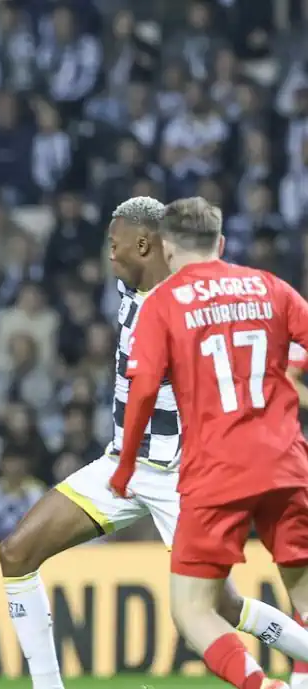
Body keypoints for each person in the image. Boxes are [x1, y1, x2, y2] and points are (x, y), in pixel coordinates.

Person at [0, 197, 308, 689]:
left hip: (184, 476)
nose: (109, 253)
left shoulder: (180, 304)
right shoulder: (132, 283)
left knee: (214, 608)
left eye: (113, 242)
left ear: (143, 244)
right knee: (16, 553)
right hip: (123, 464)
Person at [111, 196, 308, 689]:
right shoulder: (270, 287)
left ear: (168, 247)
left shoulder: (163, 303)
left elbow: (142, 393)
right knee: (304, 596)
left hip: (217, 472)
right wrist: (294, 372)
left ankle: (263, 687)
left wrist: (124, 466)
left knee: (193, 611)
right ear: (220, 243)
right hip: (286, 463)